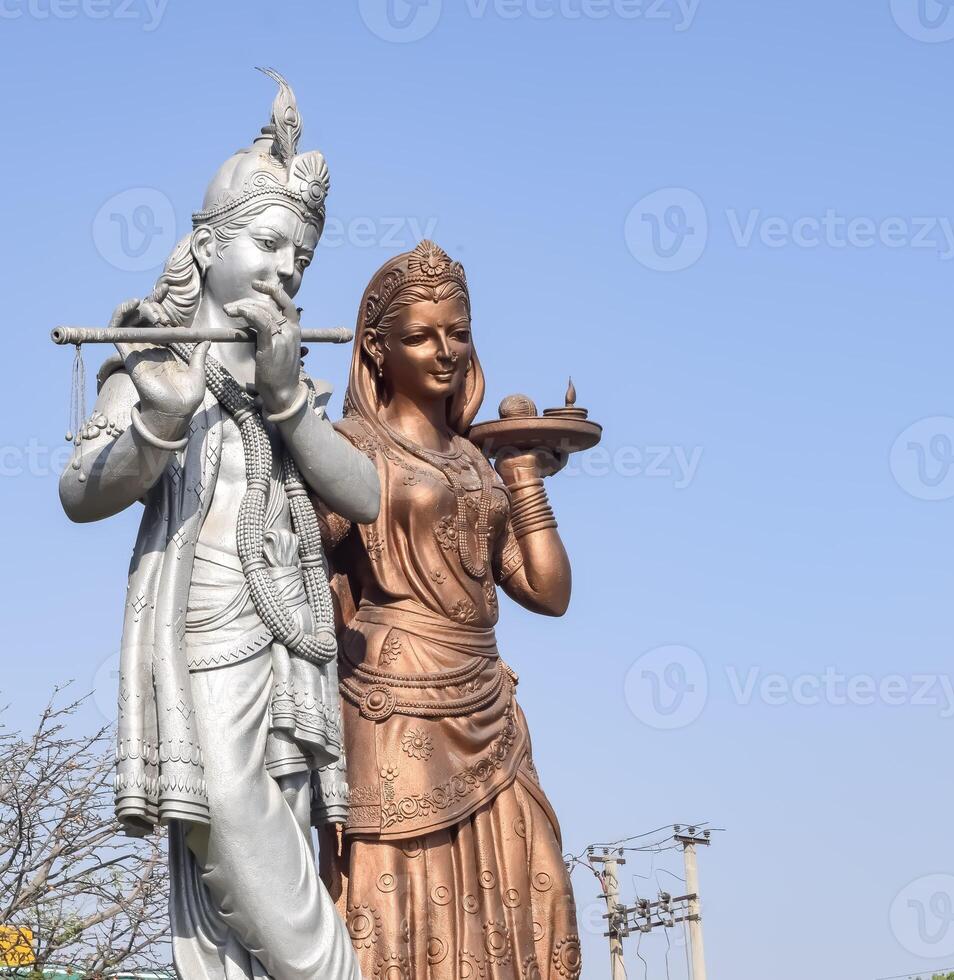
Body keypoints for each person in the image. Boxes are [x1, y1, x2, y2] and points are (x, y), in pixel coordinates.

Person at [59, 72, 379, 980]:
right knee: (222, 815)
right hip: (197, 632)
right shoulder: (155, 363)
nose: (286, 269)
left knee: (267, 815)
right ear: (206, 247)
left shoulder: (289, 390)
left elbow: (363, 494)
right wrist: (159, 420)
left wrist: (286, 401)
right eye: (270, 243)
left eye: (301, 260)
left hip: (287, 642)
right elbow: (82, 490)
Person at [316, 240, 583, 979]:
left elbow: (548, 592)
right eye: (420, 335)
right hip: (391, 704)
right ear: (375, 349)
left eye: (457, 333)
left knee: (534, 891)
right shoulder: (348, 449)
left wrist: (524, 475)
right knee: (401, 898)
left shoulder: (473, 458)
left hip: (488, 700)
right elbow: (295, 555)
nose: (445, 352)